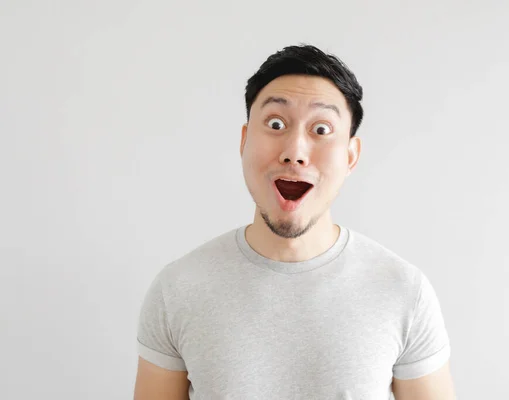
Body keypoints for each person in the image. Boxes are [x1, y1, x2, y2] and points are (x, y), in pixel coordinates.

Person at [133, 44, 456, 400]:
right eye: (275, 124)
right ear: (244, 141)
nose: (295, 152)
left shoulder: (404, 291)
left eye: (321, 129)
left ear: (350, 156)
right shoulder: (177, 289)